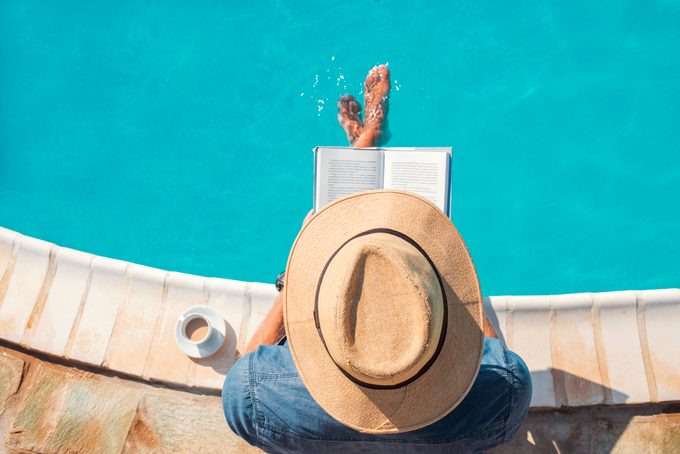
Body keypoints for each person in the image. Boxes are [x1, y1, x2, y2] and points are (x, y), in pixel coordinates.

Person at [221, 65, 531, 453]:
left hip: (327, 377)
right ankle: (368, 136)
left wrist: (295, 280)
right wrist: (456, 284)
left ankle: (364, 143)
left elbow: (240, 377)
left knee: (352, 264)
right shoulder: (505, 393)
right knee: (387, 266)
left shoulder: (252, 396)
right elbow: (494, 355)